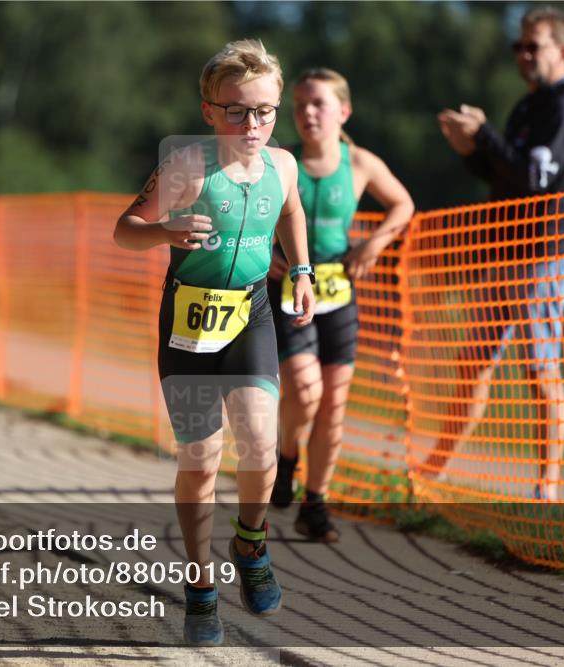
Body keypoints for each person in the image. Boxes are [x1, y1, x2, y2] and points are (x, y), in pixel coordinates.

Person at [113, 39, 315, 646]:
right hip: (189, 326)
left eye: (264, 111)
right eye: (236, 111)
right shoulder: (186, 168)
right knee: (200, 460)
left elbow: (291, 212)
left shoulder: (283, 164)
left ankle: (250, 543)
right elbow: (125, 231)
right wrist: (164, 232)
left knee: (260, 446)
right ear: (208, 110)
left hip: (250, 312)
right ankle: (201, 588)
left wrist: (300, 269)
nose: (251, 124)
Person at [431, 6, 564, 500]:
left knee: (539, 368)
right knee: (473, 362)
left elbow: (534, 178)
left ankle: (546, 487)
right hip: (505, 254)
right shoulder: (528, 107)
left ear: (562, 51)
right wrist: (472, 151)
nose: (523, 55)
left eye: (534, 46)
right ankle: (434, 470)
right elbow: (506, 176)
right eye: (518, 46)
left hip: (545, 255)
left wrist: (485, 135)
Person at [268, 68, 413, 541]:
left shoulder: (360, 164)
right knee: (305, 391)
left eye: (319, 104)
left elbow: (402, 205)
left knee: (334, 405)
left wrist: (372, 246)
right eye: (300, 105)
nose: (308, 113)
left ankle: (316, 505)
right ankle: (286, 455)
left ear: (343, 112)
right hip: (290, 289)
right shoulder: (280, 161)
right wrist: (266, 256)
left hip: (339, 291)